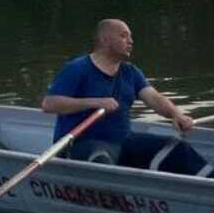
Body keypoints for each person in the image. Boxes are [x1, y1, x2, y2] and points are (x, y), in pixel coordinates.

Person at [40, 18, 194, 164]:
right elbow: (49, 104)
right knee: (100, 158)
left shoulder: (130, 72)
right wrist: (95, 102)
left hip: (123, 142)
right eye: (123, 36)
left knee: (176, 147)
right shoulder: (77, 68)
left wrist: (176, 114)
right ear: (105, 40)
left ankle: (213, 181)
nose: (131, 41)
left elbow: (154, 98)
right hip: (80, 144)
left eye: (130, 37)